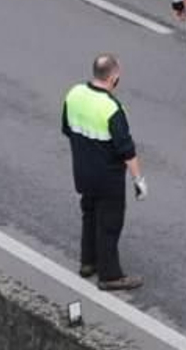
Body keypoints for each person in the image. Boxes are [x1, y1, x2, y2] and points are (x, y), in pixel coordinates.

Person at [62, 53, 146, 291]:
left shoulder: (74, 94)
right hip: (108, 178)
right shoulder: (112, 108)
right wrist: (138, 180)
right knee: (109, 224)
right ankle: (110, 275)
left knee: (89, 215)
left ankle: (88, 262)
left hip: (82, 172)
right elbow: (127, 150)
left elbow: (67, 129)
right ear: (114, 78)